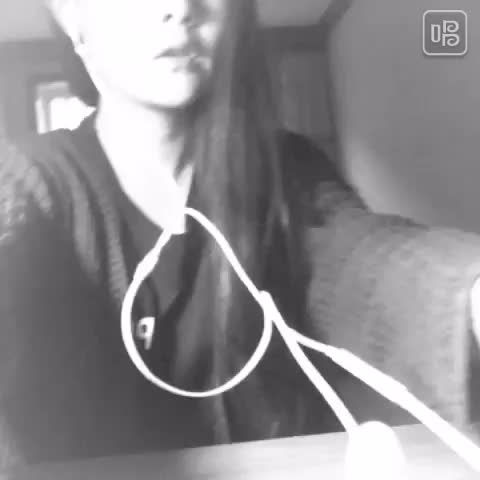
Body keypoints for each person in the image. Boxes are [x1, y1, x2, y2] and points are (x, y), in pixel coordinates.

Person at [1, 0, 480, 469]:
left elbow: (366, 260)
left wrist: (469, 294)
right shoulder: (31, 179)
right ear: (73, 18)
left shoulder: (288, 171)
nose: (180, 8)